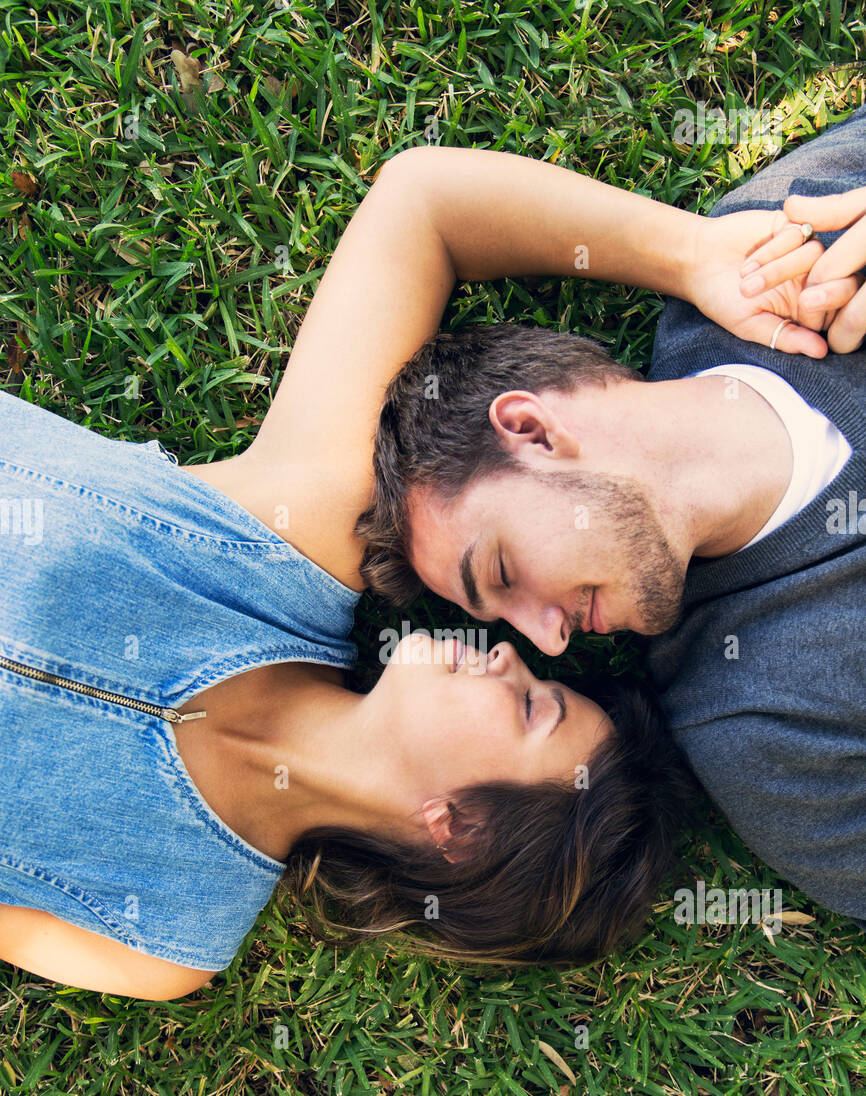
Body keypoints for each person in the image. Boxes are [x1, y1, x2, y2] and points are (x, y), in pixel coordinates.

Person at [0, 138, 818, 1002]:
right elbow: (426, 207)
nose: (512, 653)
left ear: (454, 831)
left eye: (536, 707)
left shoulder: (163, 935)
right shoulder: (293, 540)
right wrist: (697, 254)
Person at [364, 103, 866, 928]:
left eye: (502, 574)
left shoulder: (778, 235)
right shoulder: (763, 734)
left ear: (530, 430)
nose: (553, 640)